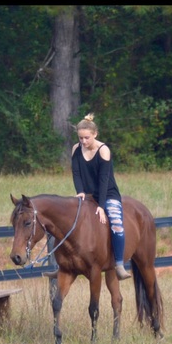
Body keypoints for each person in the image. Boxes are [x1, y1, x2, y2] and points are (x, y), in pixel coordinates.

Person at [45, 113, 131, 280]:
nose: (83, 142)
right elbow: (76, 173)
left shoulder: (103, 150)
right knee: (64, 220)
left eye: (86, 138)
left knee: (116, 223)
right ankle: (62, 265)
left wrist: (102, 205)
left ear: (95, 134)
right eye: (80, 138)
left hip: (107, 194)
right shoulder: (76, 149)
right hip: (87, 194)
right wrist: (80, 192)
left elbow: (104, 179)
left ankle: (119, 264)